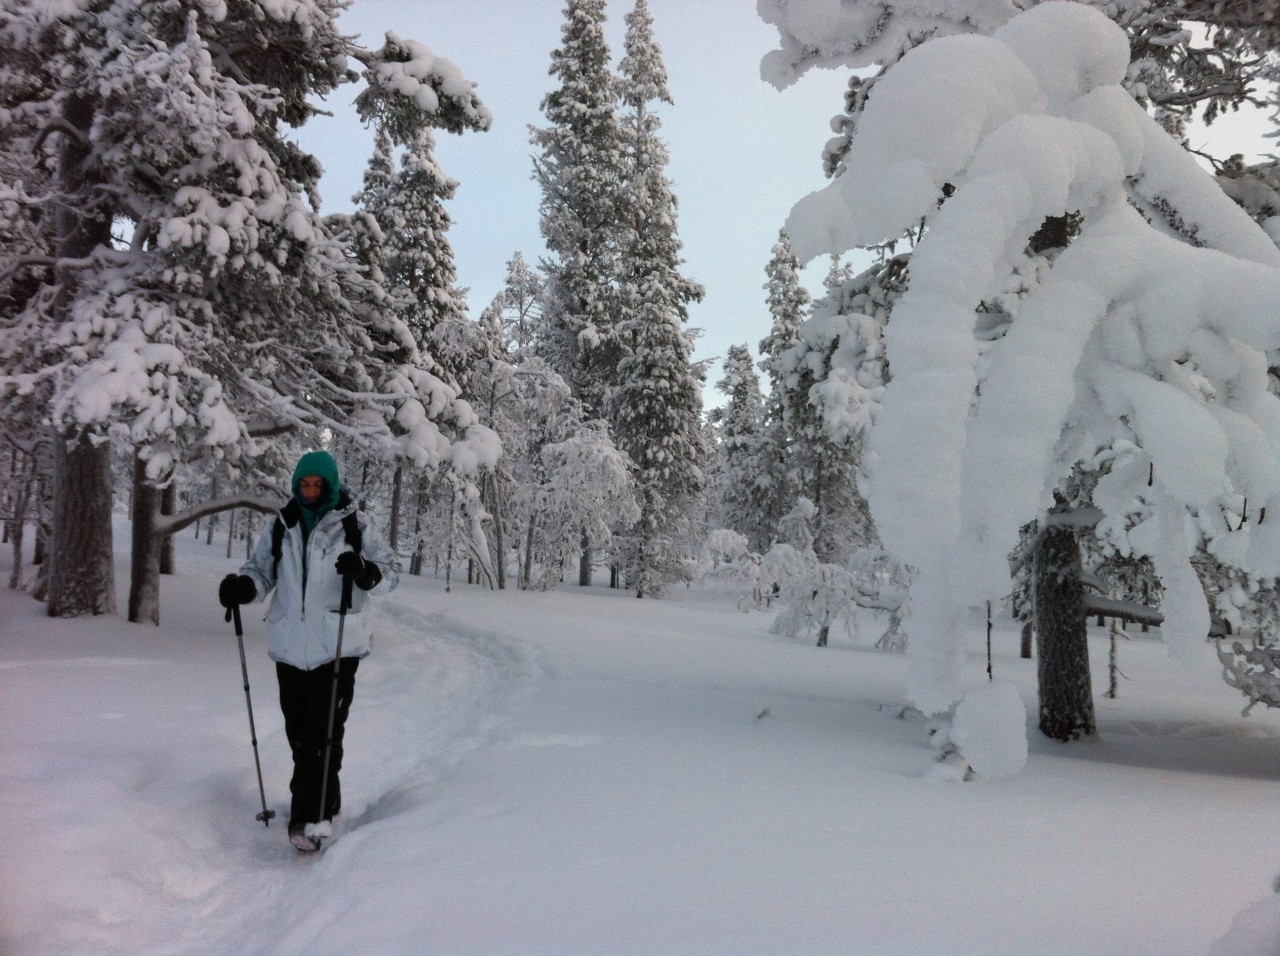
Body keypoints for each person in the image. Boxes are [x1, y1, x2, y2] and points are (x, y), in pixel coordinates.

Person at [218, 450, 399, 851]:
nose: (311, 491)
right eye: (305, 484)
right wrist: (243, 588)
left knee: (323, 734)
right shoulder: (283, 525)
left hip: (337, 645)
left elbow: (391, 571)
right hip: (289, 647)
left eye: (318, 485)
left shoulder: (355, 526)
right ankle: (325, 801)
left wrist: (366, 572)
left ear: (330, 486)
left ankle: (309, 820)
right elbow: (260, 571)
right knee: (301, 737)